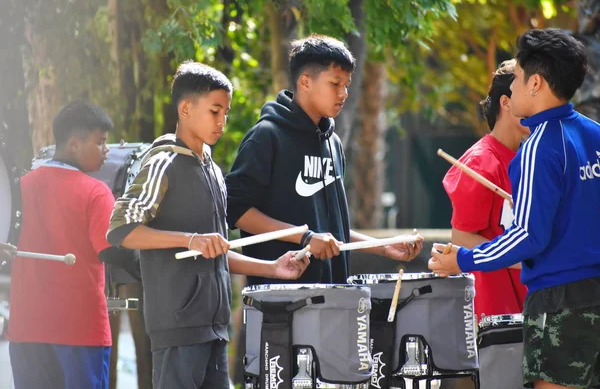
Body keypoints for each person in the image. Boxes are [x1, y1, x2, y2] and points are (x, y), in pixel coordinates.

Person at [106, 61, 309, 389]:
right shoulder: (162, 164)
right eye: (215, 111)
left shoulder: (213, 171)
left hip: (214, 329)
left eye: (226, 112)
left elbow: (215, 250)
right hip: (177, 330)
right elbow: (120, 229)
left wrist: (273, 268)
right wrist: (189, 240)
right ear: (185, 108)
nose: (223, 122)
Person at [429, 28, 600, 389]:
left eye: (519, 78)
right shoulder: (593, 134)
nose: (513, 88)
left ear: (536, 83)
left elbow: (527, 236)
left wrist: (461, 260)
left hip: (561, 302)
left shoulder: (538, 147)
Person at [226, 34, 423, 286]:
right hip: (282, 304)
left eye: (347, 85)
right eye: (335, 83)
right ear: (305, 82)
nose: (344, 93)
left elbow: (331, 233)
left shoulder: (333, 142)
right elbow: (235, 209)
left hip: (335, 297)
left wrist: (384, 247)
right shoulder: (266, 136)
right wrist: (304, 237)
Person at [8, 101, 139, 389]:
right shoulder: (96, 192)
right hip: (80, 332)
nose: (107, 151)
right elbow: (111, 249)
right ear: (74, 144)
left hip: (26, 329)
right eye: (101, 142)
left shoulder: (18, 189)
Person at [442, 59, 529, 320]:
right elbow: (462, 238)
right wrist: (527, 261)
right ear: (506, 102)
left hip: (531, 301)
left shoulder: (531, 156)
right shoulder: (480, 162)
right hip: (494, 307)